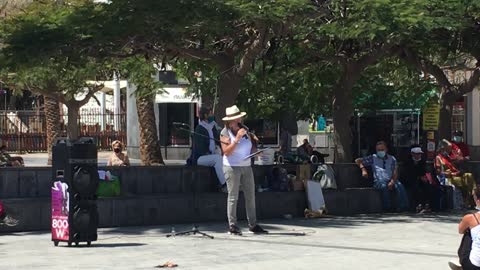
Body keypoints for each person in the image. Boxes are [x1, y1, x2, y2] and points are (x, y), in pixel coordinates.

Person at [220, 105, 267, 235]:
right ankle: (233, 225)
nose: (239, 120)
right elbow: (226, 152)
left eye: (239, 117)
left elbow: (250, 146)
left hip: (246, 165)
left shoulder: (245, 129)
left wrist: (256, 152)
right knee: (233, 196)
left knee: (250, 195)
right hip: (232, 166)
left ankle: (253, 224)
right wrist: (237, 139)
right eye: (236, 118)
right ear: (230, 120)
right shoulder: (225, 132)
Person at [355, 141, 409, 212]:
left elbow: (395, 171)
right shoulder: (373, 158)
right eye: (378, 150)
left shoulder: (392, 159)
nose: (380, 151)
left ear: (386, 150)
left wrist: (392, 181)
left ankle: (404, 206)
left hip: (391, 179)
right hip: (379, 181)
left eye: (382, 150)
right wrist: (363, 169)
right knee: (383, 185)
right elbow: (358, 160)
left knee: (399, 185)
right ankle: (387, 207)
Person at [192, 106, 226, 191]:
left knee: (223, 158)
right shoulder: (199, 128)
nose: (212, 115)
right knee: (217, 158)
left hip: (211, 155)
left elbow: (218, 140)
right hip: (200, 157)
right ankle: (224, 184)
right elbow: (200, 148)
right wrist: (210, 153)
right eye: (210, 113)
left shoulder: (212, 127)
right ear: (205, 115)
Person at [435, 139, 476, 208]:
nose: (449, 151)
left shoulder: (449, 157)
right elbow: (438, 172)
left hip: (456, 175)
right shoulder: (438, 158)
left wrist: (458, 160)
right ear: (443, 148)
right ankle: (470, 200)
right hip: (448, 177)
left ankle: (469, 199)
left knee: (469, 176)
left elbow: (457, 166)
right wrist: (451, 174)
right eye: (448, 149)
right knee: (466, 182)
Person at [448, 187, 480, 270]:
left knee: (468, 232)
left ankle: (462, 263)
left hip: (474, 266)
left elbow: (460, 230)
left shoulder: (471, 218)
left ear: (478, 201)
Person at [401, 146, 435, 213]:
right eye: (416, 154)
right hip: (409, 180)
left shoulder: (422, 161)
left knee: (428, 186)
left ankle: (427, 205)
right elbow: (407, 174)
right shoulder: (408, 162)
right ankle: (418, 205)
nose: (418, 155)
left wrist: (423, 177)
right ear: (412, 154)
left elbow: (423, 172)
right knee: (416, 188)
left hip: (420, 179)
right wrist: (418, 177)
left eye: (419, 154)